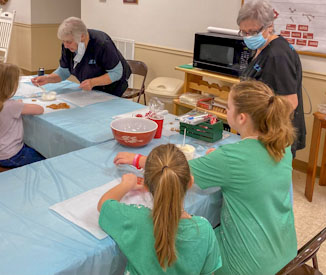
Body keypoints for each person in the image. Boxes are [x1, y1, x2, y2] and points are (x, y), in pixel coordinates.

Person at [113, 80, 298, 274]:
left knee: (183, 244)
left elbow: (175, 170)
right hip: (286, 255)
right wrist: (218, 161)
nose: (226, 111)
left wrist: (138, 159)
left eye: (228, 107)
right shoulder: (281, 145)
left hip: (249, 266)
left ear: (241, 118)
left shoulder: (231, 158)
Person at [98, 144, 222, 274]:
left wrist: (126, 184)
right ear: (190, 183)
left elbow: (104, 203)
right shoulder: (204, 230)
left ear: (147, 184)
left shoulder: (134, 219)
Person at [237, 0, 306, 158]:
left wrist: (260, 130)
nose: (248, 37)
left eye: (253, 32)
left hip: (273, 135)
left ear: (270, 27)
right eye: (243, 32)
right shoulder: (259, 48)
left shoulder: (278, 54)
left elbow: (289, 103)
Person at [31, 17, 131, 97]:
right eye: (63, 41)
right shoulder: (68, 46)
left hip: (113, 87)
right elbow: (64, 71)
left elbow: (116, 72)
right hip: (91, 89)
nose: (65, 45)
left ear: (82, 36)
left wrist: (93, 82)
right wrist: (48, 79)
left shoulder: (102, 44)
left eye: (69, 42)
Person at [0, 63, 45, 168]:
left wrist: (18, 104)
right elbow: (39, 109)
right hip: (13, 156)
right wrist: (19, 105)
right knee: (46, 157)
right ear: (13, 85)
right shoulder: (12, 106)